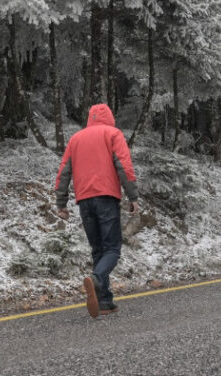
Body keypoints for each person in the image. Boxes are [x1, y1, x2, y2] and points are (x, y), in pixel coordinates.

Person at [54, 103, 139, 318]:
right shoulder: (113, 133)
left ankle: (105, 301)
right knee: (112, 249)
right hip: (106, 197)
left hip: (84, 200)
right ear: (109, 117)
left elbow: (64, 171)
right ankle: (97, 279)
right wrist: (133, 196)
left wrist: (61, 203)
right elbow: (123, 166)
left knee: (98, 249)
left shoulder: (76, 139)